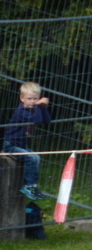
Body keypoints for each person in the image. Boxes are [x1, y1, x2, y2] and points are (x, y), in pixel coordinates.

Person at [5, 80, 52, 238]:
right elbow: (37, 120)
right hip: (10, 145)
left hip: (21, 145)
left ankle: (32, 185)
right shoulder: (22, 112)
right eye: (30, 99)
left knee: (35, 158)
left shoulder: (32, 109)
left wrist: (43, 108)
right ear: (22, 99)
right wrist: (39, 106)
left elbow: (45, 121)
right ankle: (29, 186)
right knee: (32, 157)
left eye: (35, 98)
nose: (33, 102)